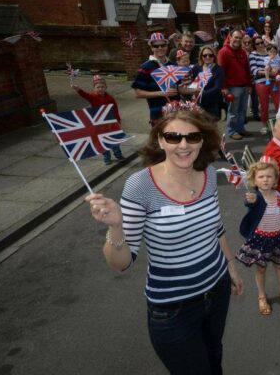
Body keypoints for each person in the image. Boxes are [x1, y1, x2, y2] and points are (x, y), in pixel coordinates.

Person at [85, 106, 245, 374]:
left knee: (214, 357)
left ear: (202, 140)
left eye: (192, 137)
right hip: (173, 308)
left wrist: (230, 264)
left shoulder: (206, 174)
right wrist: (116, 227)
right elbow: (121, 263)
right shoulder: (140, 186)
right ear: (160, 140)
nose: (183, 145)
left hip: (217, 290)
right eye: (173, 137)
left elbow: (215, 227)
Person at [237, 159, 280, 316]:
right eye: (261, 177)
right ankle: (262, 295)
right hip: (260, 239)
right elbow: (251, 203)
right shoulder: (256, 197)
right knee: (261, 269)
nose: (265, 179)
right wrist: (251, 201)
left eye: (269, 176)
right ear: (254, 180)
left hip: (277, 238)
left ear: (275, 179)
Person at [72, 75, 124, 164]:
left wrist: (118, 121)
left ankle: (118, 154)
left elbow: (115, 110)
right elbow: (85, 95)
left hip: (110, 123)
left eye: (102, 87)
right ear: (94, 88)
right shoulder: (93, 97)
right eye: (98, 87)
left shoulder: (110, 98)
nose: (100, 89)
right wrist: (78, 89)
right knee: (103, 141)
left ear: (106, 87)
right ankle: (106, 158)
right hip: (99, 124)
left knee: (114, 139)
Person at [132, 32, 178, 125]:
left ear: (166, 46)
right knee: (159, 139)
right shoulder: (145, 67)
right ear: (151, 47)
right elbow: (138, 93)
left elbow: (179, 88)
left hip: (176, 111)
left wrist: (196, 89)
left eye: (162, 45)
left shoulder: (173, 65)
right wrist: (162, 93)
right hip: (158, 114)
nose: (160, 48)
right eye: (156, 46)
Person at [218, 30, 252, 140]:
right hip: (232, 87)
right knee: (233, 111)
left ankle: (240, 128)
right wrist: (223, 87)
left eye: (239, 38)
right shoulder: (224, 52)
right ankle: (232, 131)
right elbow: (221, 71)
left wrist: (250, 85)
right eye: (235, 37)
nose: (237, 40)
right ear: (230, 37)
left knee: (242, 110)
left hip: (244, 85)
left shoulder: (242, 52)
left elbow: (247, 69)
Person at [249, 37, 280, 135]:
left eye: (261, 42)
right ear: (254, 45)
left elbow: (279, 64)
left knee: (279, 104)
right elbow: (254, 70)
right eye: (257, 44)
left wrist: (277, 70)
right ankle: (264, 125)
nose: (260, 45)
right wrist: (268, 72)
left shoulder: (271, 51)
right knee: (264, 105)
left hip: (274, 81)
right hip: (261, 82)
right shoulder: (253, 55)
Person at [185, 45, 225, 121]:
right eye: (205, 55)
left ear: (214, 56)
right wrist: (191, 91)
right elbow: (190, 81)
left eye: (210, 55)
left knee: (211, 126)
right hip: (197, 103)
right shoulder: (196, 68)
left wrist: (201, 93)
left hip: (212, 103)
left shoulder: (218, 69)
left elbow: (217, 88)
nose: (207, 57)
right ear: (201, 57)